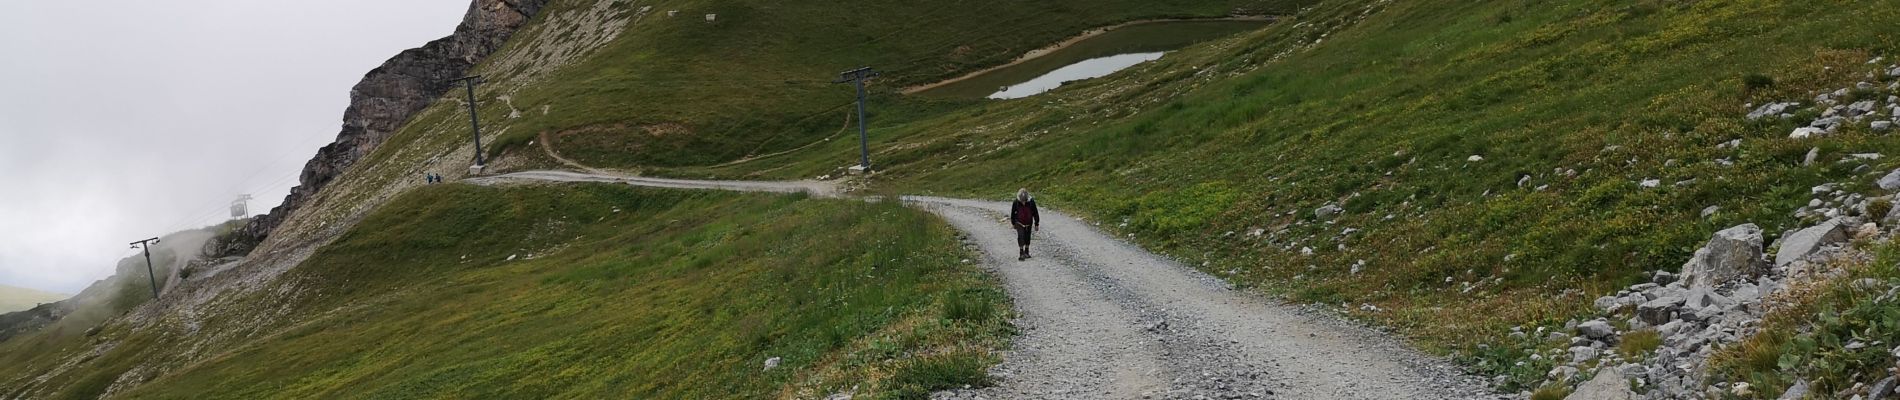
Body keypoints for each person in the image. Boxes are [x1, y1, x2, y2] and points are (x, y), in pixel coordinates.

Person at [1010, 188, 1040, 261]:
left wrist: (1036, 223)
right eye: (1022, 201)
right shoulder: (1016, 202)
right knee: (1020, 236)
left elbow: (1035, 212)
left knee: (1027, 236)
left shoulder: (1031, 202)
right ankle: (1021, 252)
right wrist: (1013, 223)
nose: (1023, 203)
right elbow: (1013, 213)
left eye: (1024, 201)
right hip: (1019, 222)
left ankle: (1026, 251)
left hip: (1028, 222)